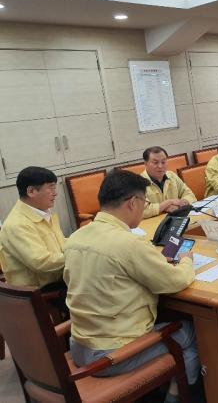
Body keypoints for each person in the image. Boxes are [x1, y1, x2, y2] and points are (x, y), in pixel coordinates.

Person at [64, 170, 199, 403]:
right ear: (133, 203)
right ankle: (177, 398)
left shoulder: (75, 237)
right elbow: (175, 281)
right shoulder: (129, 243)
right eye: (144, 202)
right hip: (111, 356)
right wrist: (186, 261)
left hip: (79, 346)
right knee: (191, 333)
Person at [0, 166, 65, 288]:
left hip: (58, 278)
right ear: (31, 191)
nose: (55, 193)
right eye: (50, 188)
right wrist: (76, 256)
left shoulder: (44, 212)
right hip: (40, 291)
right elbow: (41, 262)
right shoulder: (17, 225)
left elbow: (60, 243)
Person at [141, 146, 196, 219]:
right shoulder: (138, 183)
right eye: (155, 163)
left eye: (163, 162)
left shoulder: (172, 176)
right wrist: (168, 203)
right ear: (145, 163)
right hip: (153, 222)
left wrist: (182, 202)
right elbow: (142, 211)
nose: (160, 166)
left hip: (176, 218)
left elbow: (189, 194)